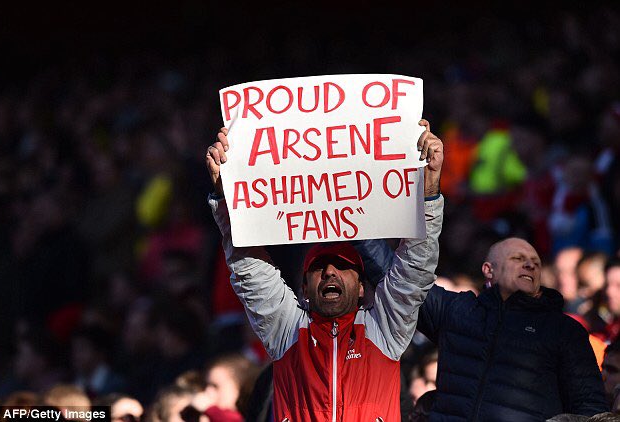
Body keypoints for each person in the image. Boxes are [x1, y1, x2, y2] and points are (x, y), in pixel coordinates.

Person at [205, 119, 444, 421]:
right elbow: (250, 270)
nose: (330, 271)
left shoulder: (384, 330)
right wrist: (226, 197)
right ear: (304, 288)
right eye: (318, 267)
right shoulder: (287, 331)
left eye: (343, 266)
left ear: (362, 287)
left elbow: (415, 267)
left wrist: (429, 190)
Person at [357, 238, 608, 420]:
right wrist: (356, 225)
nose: (530, 265)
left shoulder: (564, 331)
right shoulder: (457, 312)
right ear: (489, 270)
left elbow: (590, 409)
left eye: (535, 262)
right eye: (518, 259)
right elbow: (399, 282)